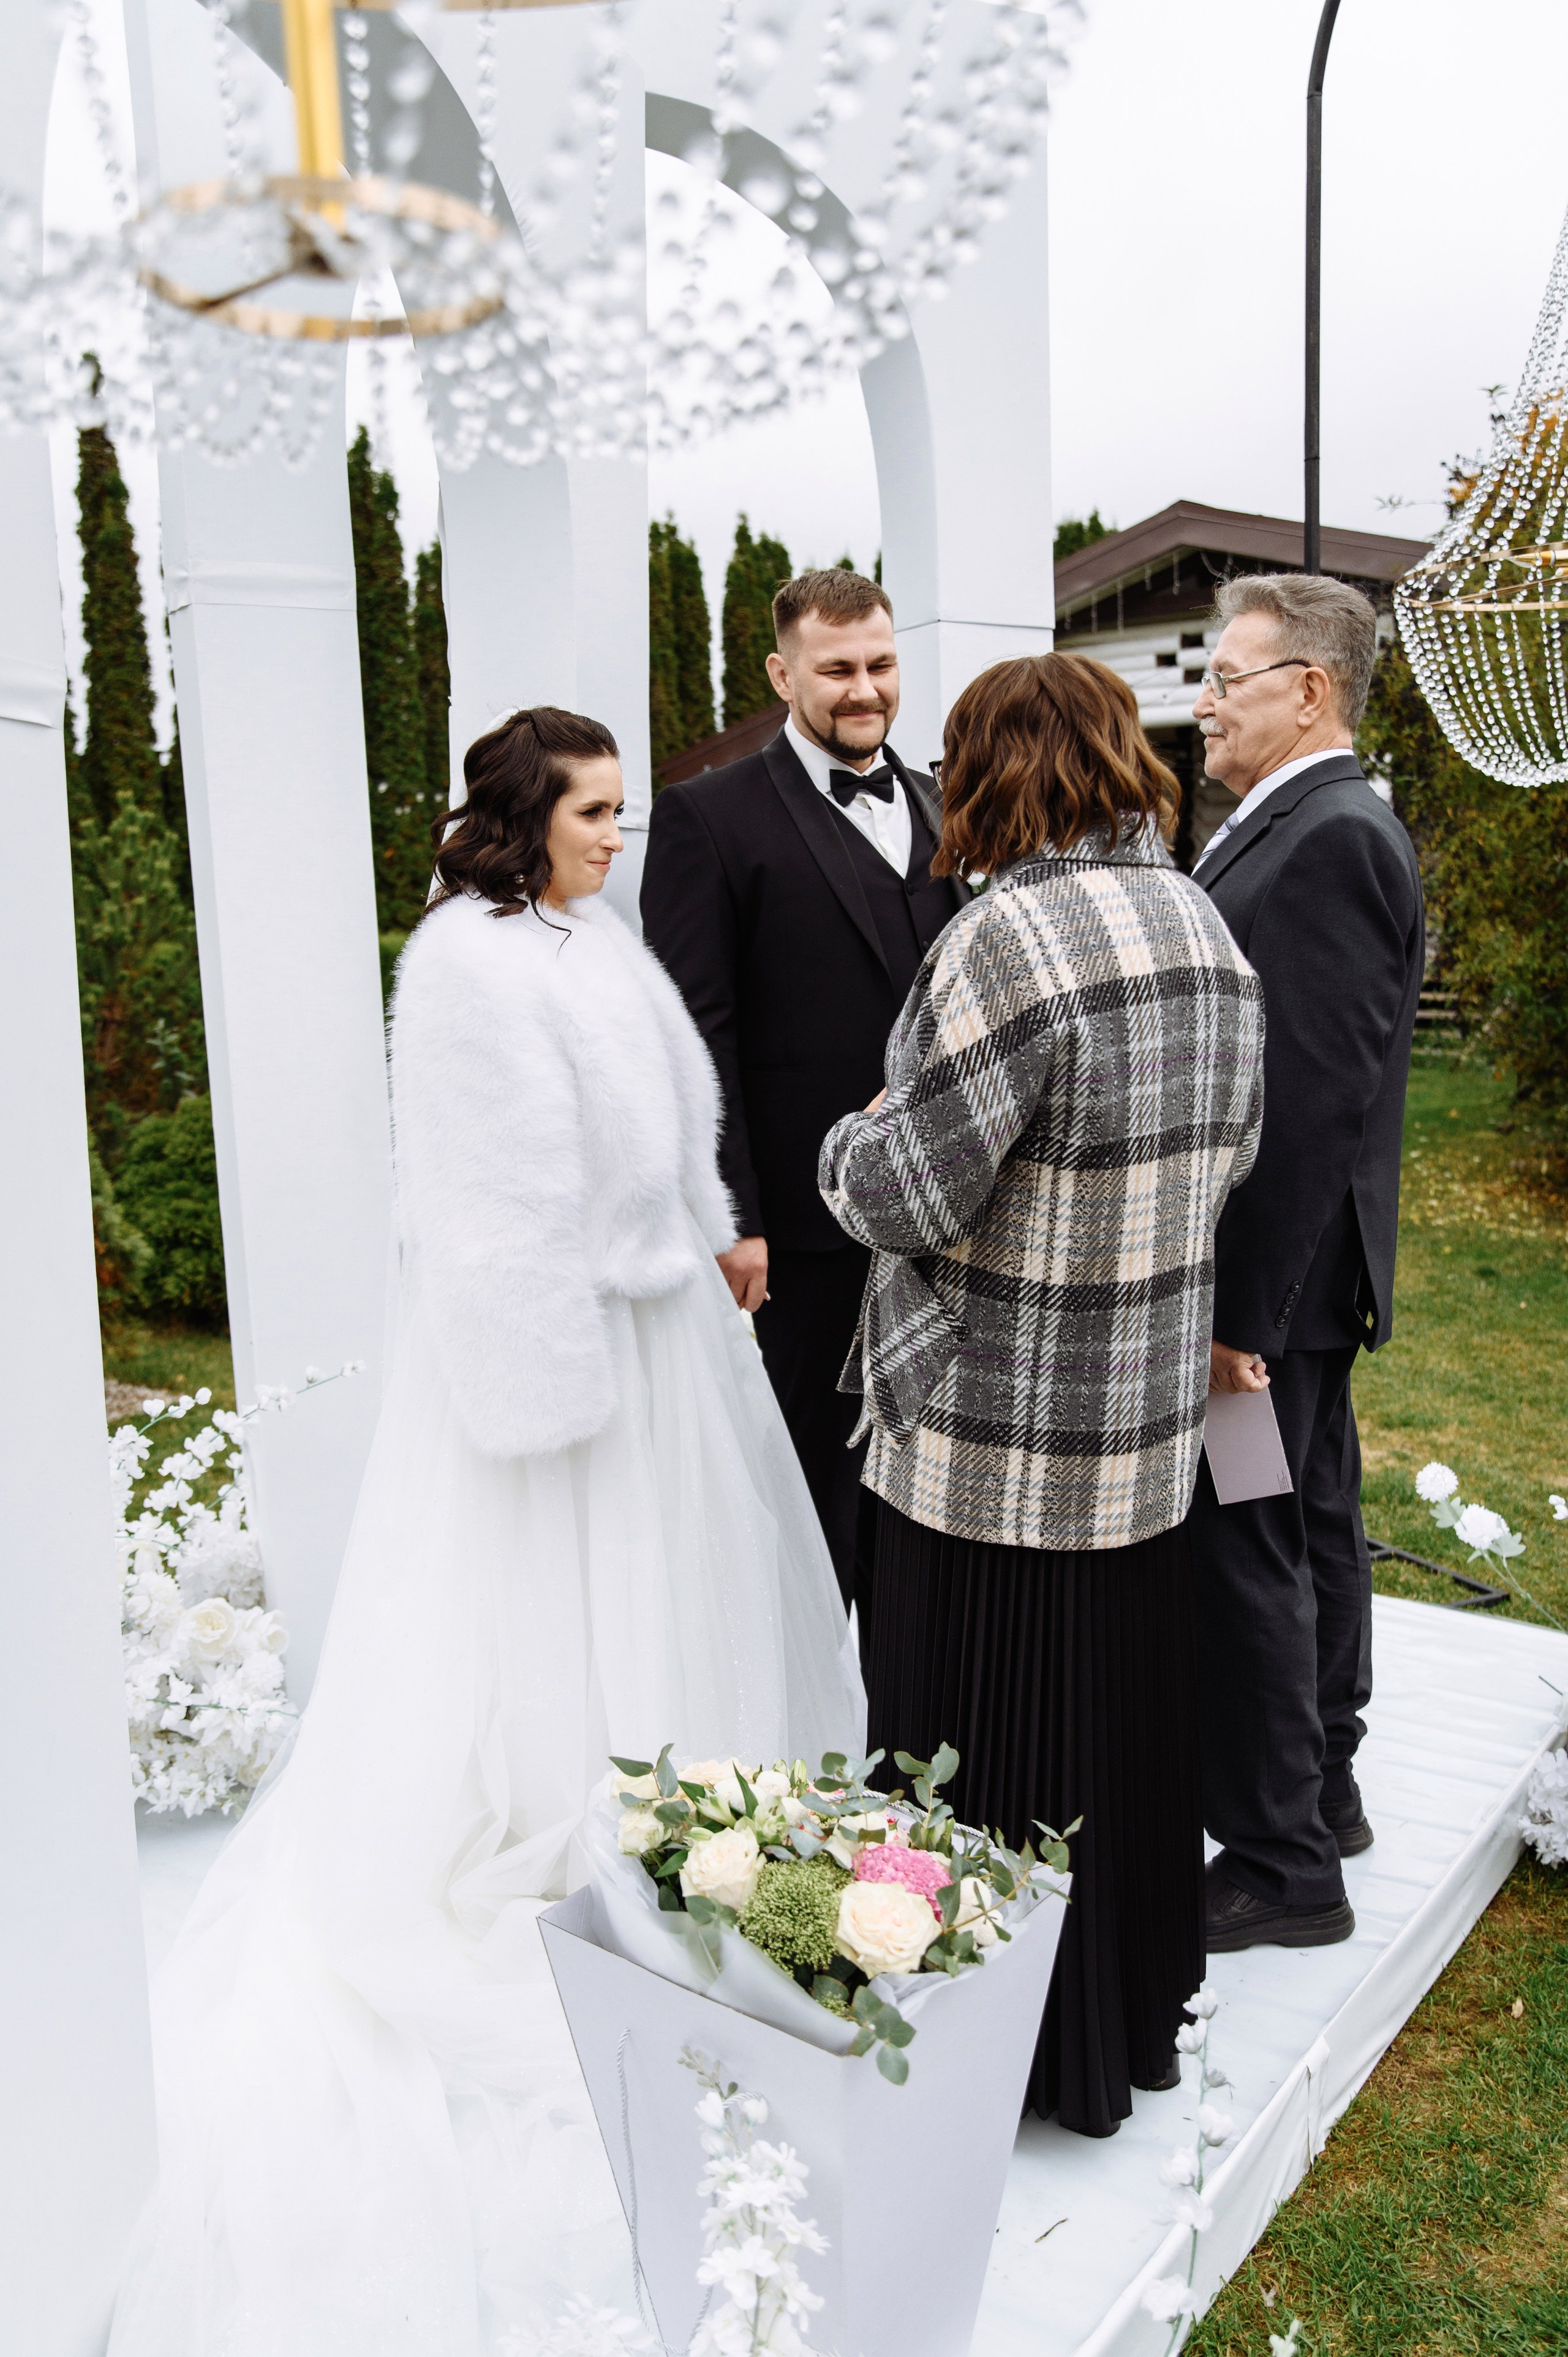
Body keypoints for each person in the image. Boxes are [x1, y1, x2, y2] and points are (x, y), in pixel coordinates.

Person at [110, 707, 864, 2357]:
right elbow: (486, 1203)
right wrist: (551, 1392)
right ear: (522, 821)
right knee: (555, 1612)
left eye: (620, 810)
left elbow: (666, 1123)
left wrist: (710, 1239)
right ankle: (565, 1809)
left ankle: (669, 1808)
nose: (619, 837)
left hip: (653, 1335)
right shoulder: (469, 966)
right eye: (595, 812)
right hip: (550, 1370)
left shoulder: (587, 941)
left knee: (669, 1606)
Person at [819, 654, 1265, 2139]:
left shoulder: (1004, 938)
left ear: (992, 773)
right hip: (1136, 1429)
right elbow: (1237, 1151)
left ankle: (970, 2062)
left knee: (970, 1749)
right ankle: (1109, 2037)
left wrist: (844, 1144)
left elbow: (906, 1187)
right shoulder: (1203, 922)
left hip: (987, 1436)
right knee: (1113, 1743)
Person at [640, 570, 970, 1634]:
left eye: (879, 665)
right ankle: (819, 1725)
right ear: (785, 674)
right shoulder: (708, 817)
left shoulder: (938, 800)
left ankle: (912, 1704)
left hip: (949, 1217)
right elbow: (697, 1033)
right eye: (837, 670)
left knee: (931, 1480)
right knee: (815, 1489)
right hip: (805, 1226)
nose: (864, 689)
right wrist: (738, 1218)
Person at [1188, 575, 1423, 1953]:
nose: (1206, 699)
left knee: (1250, 1540)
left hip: (1268, 1289)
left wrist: (1235, 1315)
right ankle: (1321, 1790)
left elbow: (1311, 1104)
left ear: (1306, 691)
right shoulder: (1297, 821)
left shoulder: (1329, 836)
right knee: (1311, 1523)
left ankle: (1282, 1864)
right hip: (1297, 1289)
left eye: (1228, 675)